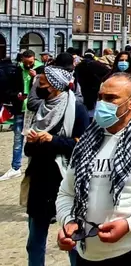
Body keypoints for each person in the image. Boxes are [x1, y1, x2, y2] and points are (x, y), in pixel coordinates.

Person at [56, 73, 131, 265]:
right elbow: (66, 192)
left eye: (111, 98)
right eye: (100, 97)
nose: (102, 104)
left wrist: (130, 224)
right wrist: (68, 222)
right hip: (86, 253)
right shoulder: (86, 142)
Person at [25, 66, 89, 266]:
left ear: (54, 86)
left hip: (64, 178)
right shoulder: (39, 108)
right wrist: (33, 141)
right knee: (35, 239)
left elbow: (83, 145)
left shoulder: (76, 109)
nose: (38, 86)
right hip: (38, 177)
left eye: (42, 83)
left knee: (72, 237)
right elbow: (27, 149)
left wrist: (53, 140)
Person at [0, 50, 42, 182]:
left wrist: (37, 78)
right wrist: (16, 95)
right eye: (26, 63)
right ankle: (16, 167)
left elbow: (47, 90)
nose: (29, 65)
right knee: (18, 139)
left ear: (34, 59)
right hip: (20, 108)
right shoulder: (16, 70)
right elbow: (8, 89)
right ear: (22, 60)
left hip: (36, 109)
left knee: (37, 137)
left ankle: (36, 166)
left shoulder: (41, 69)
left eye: (31, 62)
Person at [75, 50, 111, 118]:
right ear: (93, 56)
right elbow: (108, 72)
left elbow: (76, 78)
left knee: (88, 104)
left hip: (84, 88)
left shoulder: (78, 66)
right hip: (96, 88)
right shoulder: (97, 64)